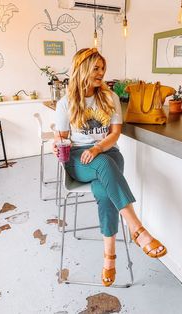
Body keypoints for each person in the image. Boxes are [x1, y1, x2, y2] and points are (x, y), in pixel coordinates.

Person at [53, 48, 167, 287]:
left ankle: (109, 257)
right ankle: (137, 229)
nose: (101, 73)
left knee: (105, 191)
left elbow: (115, 134)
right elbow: (62, 138)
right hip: (77, 159)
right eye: (96, 68)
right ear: (82, 69)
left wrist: (97, 148)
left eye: (102, 69)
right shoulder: (65, 104)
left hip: (108, 154)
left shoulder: (109, 97)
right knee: (104, 166)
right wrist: (57, 146)